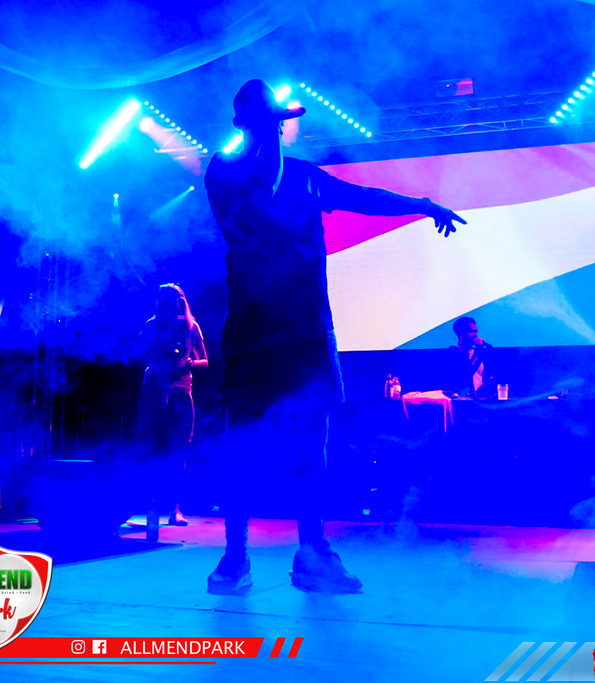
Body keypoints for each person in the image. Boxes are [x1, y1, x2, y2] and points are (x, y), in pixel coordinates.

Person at [204, 79, 466, 594]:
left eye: (277, 121)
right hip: (253, 332)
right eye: (266, 120)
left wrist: (421, 204)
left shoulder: (307, 177)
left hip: (306, 330)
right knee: (242, 444)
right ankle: (235, 557)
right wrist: (265, 134)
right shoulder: (224, 172)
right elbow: (261, 193)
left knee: (312, 442)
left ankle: (313, 553)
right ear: (245, 125)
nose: (276, 128)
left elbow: (364, 198)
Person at [136, 283, 208, 528]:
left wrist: (190, 364)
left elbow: (205, 360)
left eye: (173, 298)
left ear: (180, 301)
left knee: (178, 452)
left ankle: (174, 510)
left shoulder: (190, 326)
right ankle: (151, 506)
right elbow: (137, 354)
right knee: (151, 448)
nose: (168, 303)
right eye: (164, 299)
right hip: (153, 390)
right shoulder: (151, 325)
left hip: (180, 392)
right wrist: (152, 353)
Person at [446, 316, 495, 399]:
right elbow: (466, 371)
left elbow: (490, 376)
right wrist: (479, 348)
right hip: (461, 400)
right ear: (460, 333)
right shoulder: (452, 353)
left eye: (476, 331)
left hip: (481, 399)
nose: (475, 335)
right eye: (471, 331)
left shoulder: (480, 353)